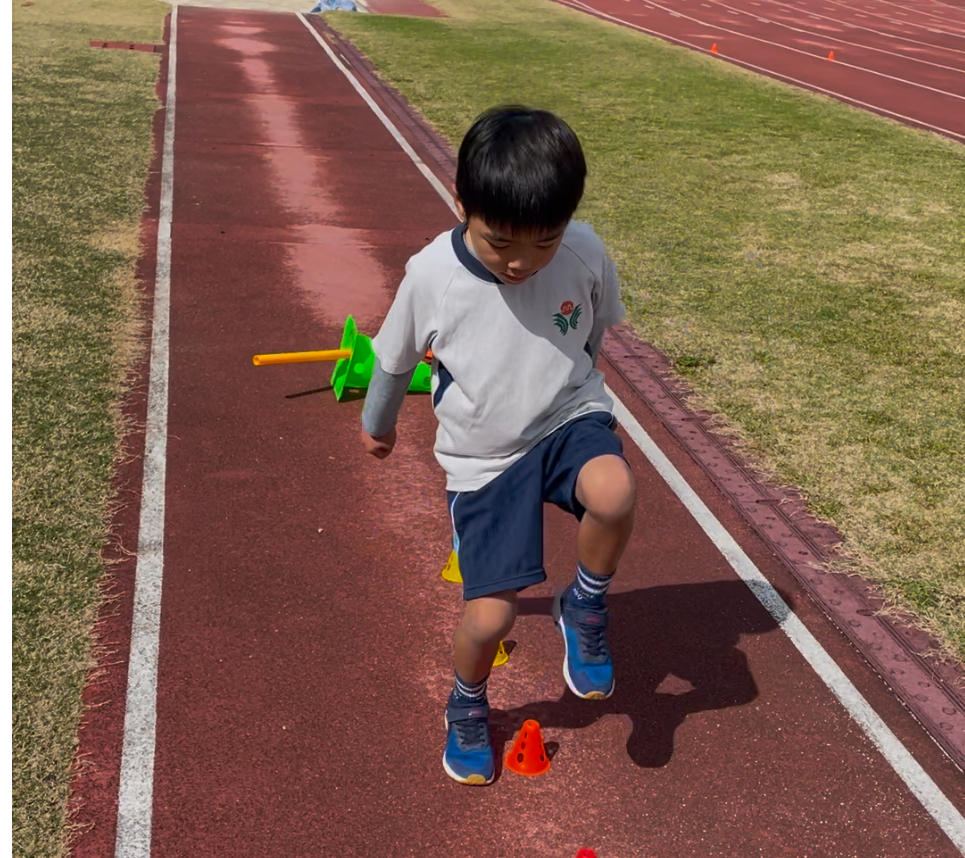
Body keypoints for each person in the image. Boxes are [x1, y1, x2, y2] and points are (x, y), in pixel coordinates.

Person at [359, 105, 635, 785]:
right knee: (489, 618)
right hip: (485, 458)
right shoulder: (431, 277)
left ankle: (586, 601)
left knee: (615, 490)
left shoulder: (585, 252)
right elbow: (394, 362)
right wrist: (379, 425)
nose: (521, 262)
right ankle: (467, 703)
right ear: (462, 203)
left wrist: (580, 392)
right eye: (499, 242)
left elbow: (593, 333)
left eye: (543, 242)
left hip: (567, 416)